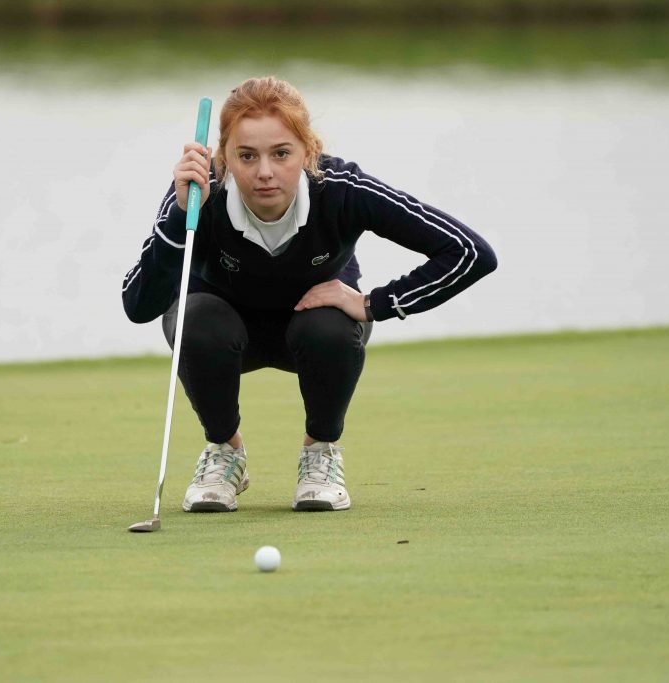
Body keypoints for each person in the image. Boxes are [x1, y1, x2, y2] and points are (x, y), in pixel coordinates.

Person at [122, 76, 496, 513]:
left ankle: (320, 452)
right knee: (195, 316)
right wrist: (180, 215)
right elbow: (139, 305)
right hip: (220, 332)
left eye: (281, 153)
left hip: (314, 331)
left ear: (308, 151)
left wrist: (376, 303)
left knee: (332, 326)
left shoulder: (340, 188)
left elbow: (470, 253)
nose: (264, 172)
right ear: (222, 157)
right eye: (246, 155)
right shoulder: (199, 192)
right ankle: (225, 452)